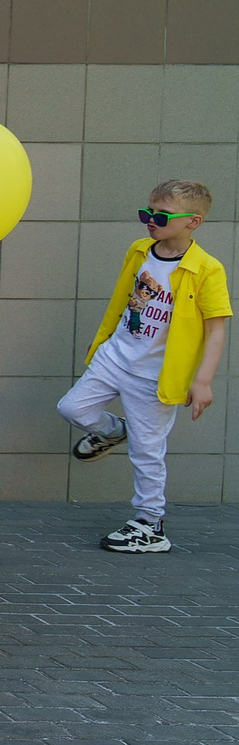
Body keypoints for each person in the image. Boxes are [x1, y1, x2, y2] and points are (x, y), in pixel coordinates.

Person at [62, 179, 229, 557]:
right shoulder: (140, 251)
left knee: (148, 451)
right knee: (72, 408)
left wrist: (202, 381)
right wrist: (103, 337)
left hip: (156, 375)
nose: (150, 221)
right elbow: (124, 298)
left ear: (194, 222)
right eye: (147, 212)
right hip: (116, 355)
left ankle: (150, 524)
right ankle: (113, 432)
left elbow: (215, 330)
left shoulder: (207, 269)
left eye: (160, 215)